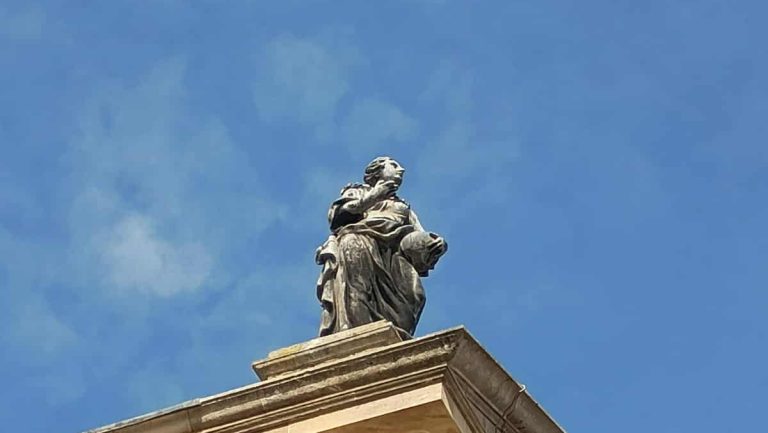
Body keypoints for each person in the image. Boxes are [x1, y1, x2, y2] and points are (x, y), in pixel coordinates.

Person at [315, 156, 447, 337]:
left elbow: (418, 233)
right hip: (361, 239)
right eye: (393, 165)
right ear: (376, 171)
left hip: (394, 252)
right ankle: (359, 334)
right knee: (357, 286)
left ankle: (394, 339)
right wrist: (376, 194)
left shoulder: (403, 207)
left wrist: (435, 243)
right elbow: (338, 216)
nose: (401, 169)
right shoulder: (358, 190)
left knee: (416, 294)